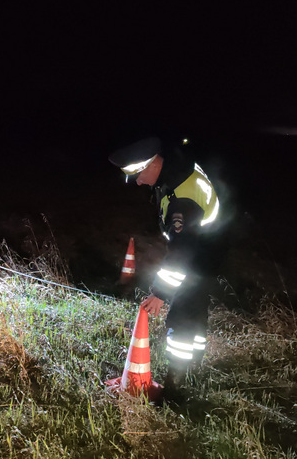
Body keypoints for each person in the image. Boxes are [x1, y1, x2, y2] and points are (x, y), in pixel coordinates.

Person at [109, 136, 227, 398]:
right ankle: (193, 363)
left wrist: (160, 293)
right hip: (208, 249)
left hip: (199, 259)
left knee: (182, 319)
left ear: (153, 165)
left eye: (138, 175)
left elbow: (183, 253)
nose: (137, 182)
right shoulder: (176, 169)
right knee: (195, 313)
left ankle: (177, 389)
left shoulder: (183, 201)